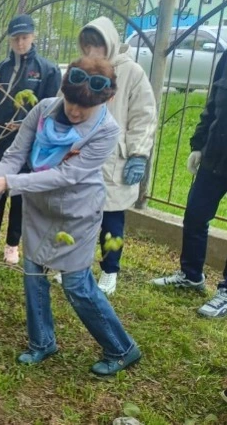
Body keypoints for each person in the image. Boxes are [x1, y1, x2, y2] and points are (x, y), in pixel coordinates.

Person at [0, 57, 141, 376]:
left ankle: (122, 348)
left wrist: (8, 182)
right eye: (71, 100)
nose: (74, 111)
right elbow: (16, 154)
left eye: (83, 107)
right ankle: (42, 342)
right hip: (39, 207)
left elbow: (66, 176)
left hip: (76, 214)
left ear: (107, 99)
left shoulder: (106, 129)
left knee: (76, 284)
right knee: (33, 273)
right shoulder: (44, 109)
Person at [60, 17, 157, 296]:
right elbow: (62, 104)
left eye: (98, 45)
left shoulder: (132, 72)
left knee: (111, 217)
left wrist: (138, 153)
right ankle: (74, 264)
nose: (93, 52)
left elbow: (144, 116)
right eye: (88, 46)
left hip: (114, 157)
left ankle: (109, 270)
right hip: (79, 153)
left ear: (110, 43)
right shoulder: (79, 70)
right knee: (76, 214)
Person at [0, 14, 61, 265]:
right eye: (16, 38)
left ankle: (12, 244)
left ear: (33, 37)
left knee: (19, 196)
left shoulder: (47, 71)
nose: (20, 42)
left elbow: (51, 110)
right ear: (9, 40)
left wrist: (26, 126)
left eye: (25, 37)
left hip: (29, 148)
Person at [151, 49, 227, 318]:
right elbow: (212, 105)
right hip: (216, 156)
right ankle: (191, 275)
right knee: (195, 216)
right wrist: (198, 145)